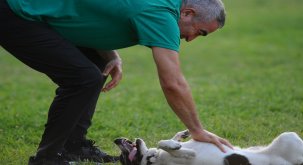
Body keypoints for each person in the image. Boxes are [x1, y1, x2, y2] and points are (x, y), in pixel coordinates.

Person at [0, 0, 233, 164]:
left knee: (94, 69)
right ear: (188, 13)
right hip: (17, 12)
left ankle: (73, 147)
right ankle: (47, 159)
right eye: (200, 32)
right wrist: (196, 130)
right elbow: (173, 82)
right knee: (83, 78)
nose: (191, 39)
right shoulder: (161, 12)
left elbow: (94, 11)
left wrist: (110, 54)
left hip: (39, 12)